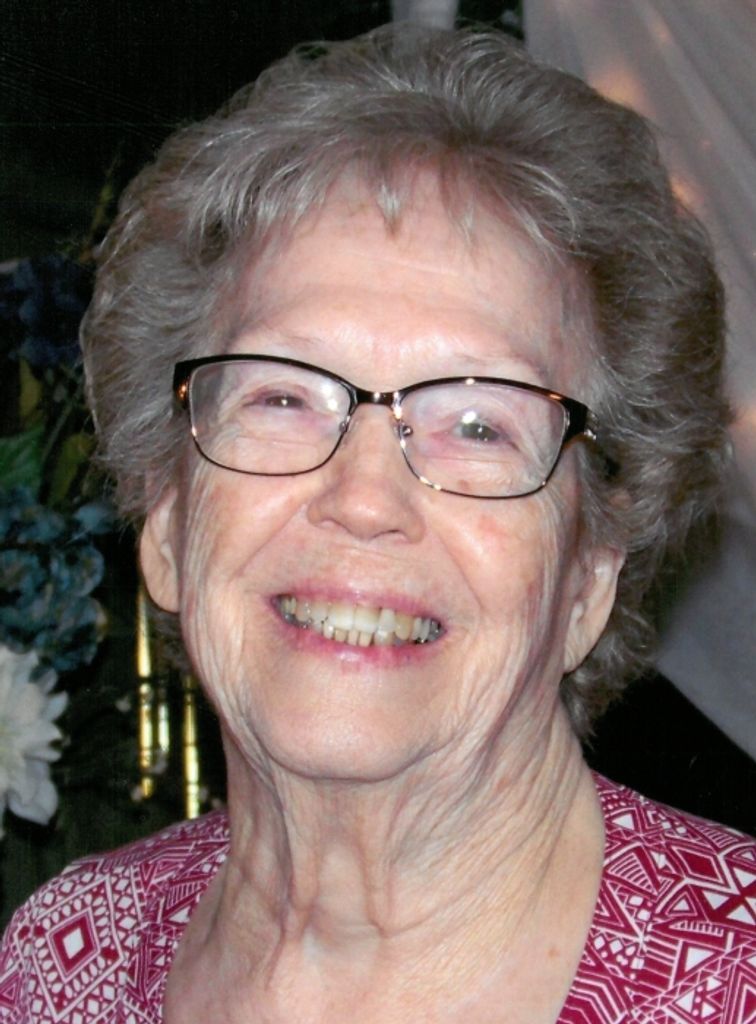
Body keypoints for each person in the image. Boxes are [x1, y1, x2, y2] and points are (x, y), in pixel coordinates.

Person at [1, 25, 754, 1024]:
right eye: (281, 397)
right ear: (168, 519)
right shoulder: (58, 966)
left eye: (478, 426)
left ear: (589, 575)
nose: (362, 498)